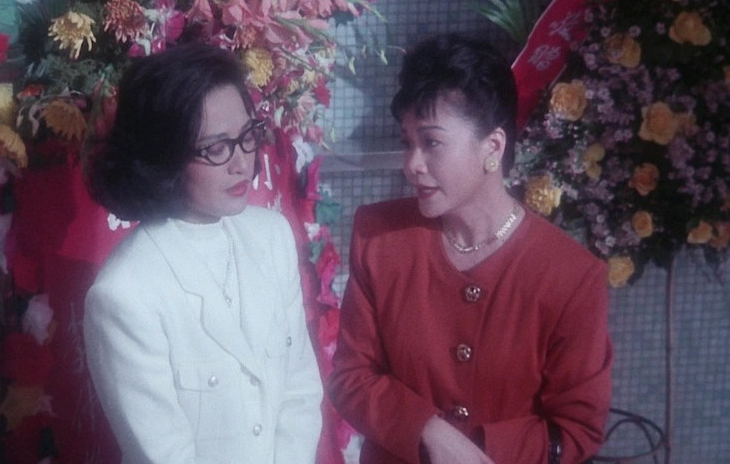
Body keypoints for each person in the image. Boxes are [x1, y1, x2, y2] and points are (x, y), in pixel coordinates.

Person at [327, 33, 612, 464]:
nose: (412, 164)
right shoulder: (380, 237)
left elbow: (576, 431)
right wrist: (428, 431)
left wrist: (476, 449)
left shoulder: (571, 276)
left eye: (431, 142)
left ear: (492, 147)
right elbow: (351, 376)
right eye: (407, 142)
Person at [83, 43, 323, 464]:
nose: (242, 163)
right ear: (164, 157)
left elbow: (300, 392)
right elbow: (163, 453)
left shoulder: (272, 236)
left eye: (247, 137)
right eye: (216, 148)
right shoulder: (125, 294)